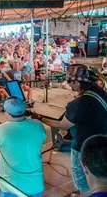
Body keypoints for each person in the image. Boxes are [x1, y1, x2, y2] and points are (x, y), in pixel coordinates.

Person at [41, 64, 107, 194]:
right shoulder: (99, 91)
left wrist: (40, 119)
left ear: (76, 81)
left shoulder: (79, 103)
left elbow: (63, 125)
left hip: (83, 146)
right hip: (102, 140)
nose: (69, 86)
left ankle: (85, 193)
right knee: (101, 175)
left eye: (70, 82)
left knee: (83, 181)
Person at [0, 97, 46, 197]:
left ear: (7, 113)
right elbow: (41, 140)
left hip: (11, 186)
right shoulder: (38, 125)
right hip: (35, 184)